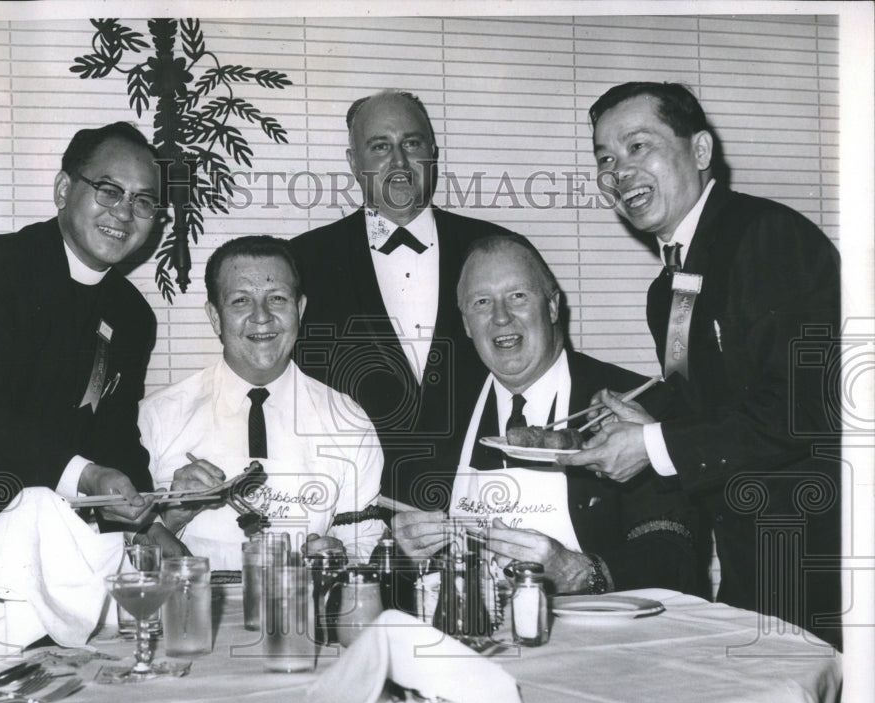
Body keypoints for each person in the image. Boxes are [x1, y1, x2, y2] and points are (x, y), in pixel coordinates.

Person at [563, 82, 841, 647]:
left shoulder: (767, 237)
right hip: (751, 563)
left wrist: (654, 446)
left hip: (820, 562)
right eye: (605, 159)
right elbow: (716, 397)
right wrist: (641, 419)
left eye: (639, 146)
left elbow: (806, 407)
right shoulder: (667, 287)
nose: (618, 172)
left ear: (701, 152)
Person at [0, 122, 172, 624]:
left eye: (143, 202)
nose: (124, 213)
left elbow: (114, 436)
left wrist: (148, 524)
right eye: (109, 190)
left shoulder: (132, 316)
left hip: (56, 561)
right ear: (65, 190)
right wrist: (87, 476)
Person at [395, 233, 700, 595]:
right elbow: (395, 557)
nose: (501, 317)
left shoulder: (635, 404)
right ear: (465, 324)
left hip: (602, 636)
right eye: (481, 302)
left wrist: (580, 572)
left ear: (553, 307)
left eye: (518, 296)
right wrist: (403, 555)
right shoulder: (436, 415)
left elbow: (675, 550)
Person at [290, 89, 512, 514]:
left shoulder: (496, 249)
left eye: (411, 144)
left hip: (482, 507)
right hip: (356, 514)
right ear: (354, 162)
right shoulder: (303, 262)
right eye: (379, 147)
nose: (398, 162)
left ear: (433, 153)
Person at [137, 236, 387, 570]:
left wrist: (337, 558)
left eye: (278, 299)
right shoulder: (155, 416)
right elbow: (120, 547)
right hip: (190, 613)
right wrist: (170, 516)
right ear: (215, 316)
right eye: (240, 301)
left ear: (299, 309)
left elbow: (365, 542)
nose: (262, 317)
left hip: (303, 613)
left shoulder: (349, 419)